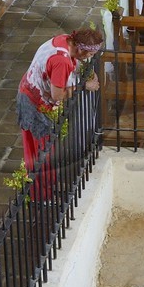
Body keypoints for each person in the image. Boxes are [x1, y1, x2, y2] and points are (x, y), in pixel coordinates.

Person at [17, 26, 104, 198]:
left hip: (33, 93)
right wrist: (84, 85)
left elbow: (75, 62)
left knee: (47, 149)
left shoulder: (66, 40)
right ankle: (41, 195)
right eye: (89, 54)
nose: (91, 58)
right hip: (34, 105)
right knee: (41, 153)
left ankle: (47, 187)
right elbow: (58, 94)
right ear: (80, 48)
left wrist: (87, 73)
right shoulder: (61, 61)